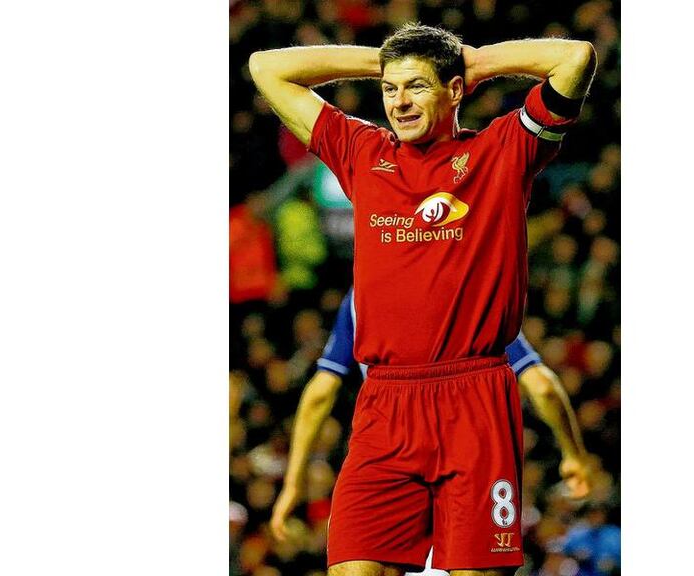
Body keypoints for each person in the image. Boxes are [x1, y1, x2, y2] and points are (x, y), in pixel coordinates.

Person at [249, 23, 596, 576]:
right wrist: (386, 62)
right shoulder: (362, 151)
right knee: (351, 569)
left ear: (456, 91)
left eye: (417, 86)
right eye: (390, 90)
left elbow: (574, 58)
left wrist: (474, 61)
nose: (400, 102)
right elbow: (267, 67)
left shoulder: (502, 151)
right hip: (385, 402)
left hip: (474, 398)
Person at [269, 290, 599, 546]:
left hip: (388, 450)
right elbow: (542, 387)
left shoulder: (362, 296)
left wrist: (294, 481)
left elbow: (320, 392)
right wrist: (574, 455)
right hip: (468, 455)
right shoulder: (474, 294)